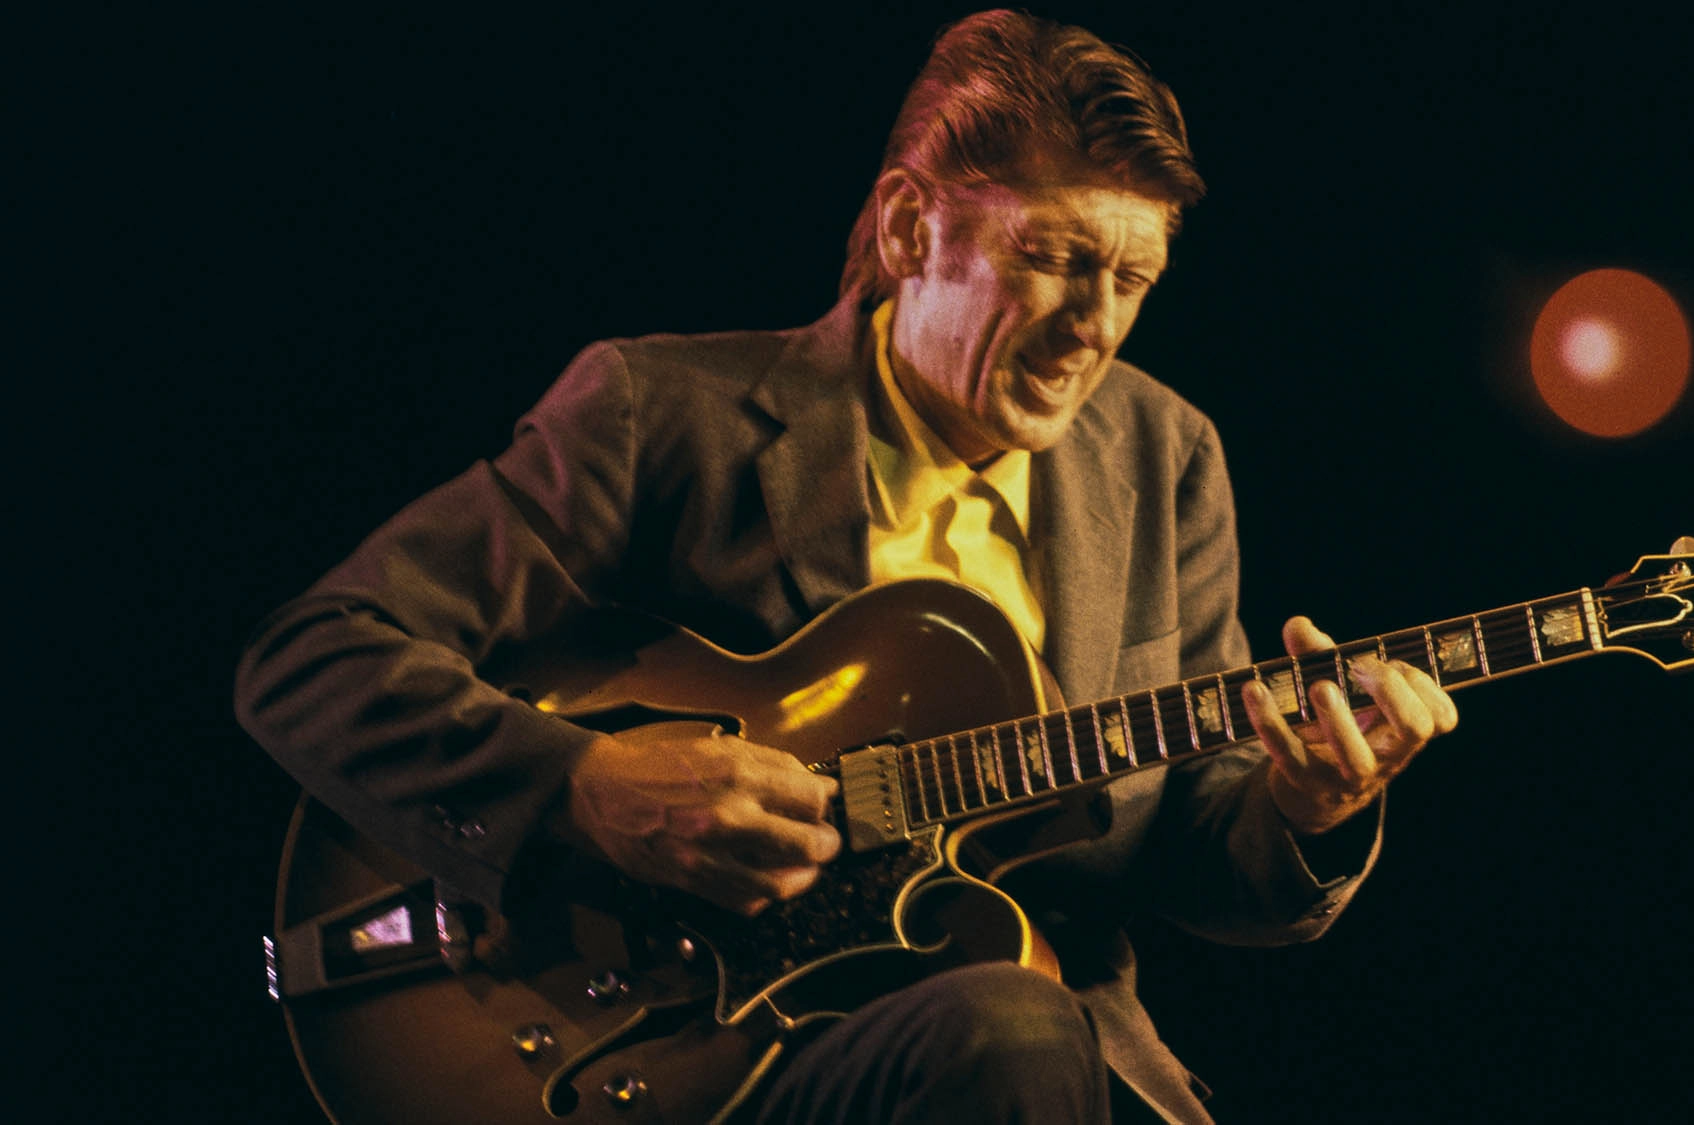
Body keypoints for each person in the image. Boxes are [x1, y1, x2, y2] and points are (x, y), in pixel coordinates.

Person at [236, 10, 1457, 1123]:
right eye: (1052, 258)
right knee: (1012, 1028)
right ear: (911, 226)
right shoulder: (663, 416)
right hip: (676, 1052)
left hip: (1025, 1060)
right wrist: (582, 785)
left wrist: (1307, 807)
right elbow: (311, 660)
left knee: (1022, 1024)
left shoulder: (1168, 454)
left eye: (1132, 279)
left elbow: (1190, 837)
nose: (1095, 325)